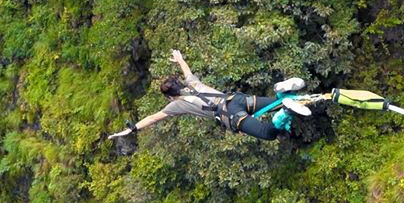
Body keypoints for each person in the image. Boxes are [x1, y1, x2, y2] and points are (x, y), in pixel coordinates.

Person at [108, 50, 310, 141]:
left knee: (269, 133)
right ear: (180, 84)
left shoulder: (177, 105)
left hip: (230, 114)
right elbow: (186, 70)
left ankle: (284, 113)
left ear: (170, 97)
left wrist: (132, 129)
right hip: (236, 98)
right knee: (279, 102)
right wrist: (179, 59)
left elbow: (153, 118)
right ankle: (282, 90)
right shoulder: (192, 83)